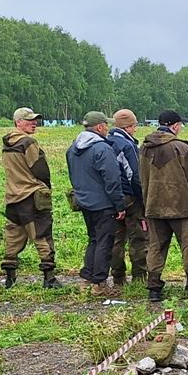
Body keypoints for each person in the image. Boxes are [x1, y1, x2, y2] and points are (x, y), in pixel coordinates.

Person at [140, 110, 188, 303]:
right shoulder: (181, 148)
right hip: (181, 207)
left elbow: (140, 177)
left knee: (156, 247)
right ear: (174, 126)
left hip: (153, 205)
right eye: (179, 125)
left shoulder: (144, 148)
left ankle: (154, 288)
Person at [0, 108, 61, 289]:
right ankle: (49, 278)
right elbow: (40, 169)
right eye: (29, 121)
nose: (34, 123)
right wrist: (46, 186)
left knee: (13, 236)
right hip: (31, 196)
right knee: (42, 235)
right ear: (18, 122)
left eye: (34, 120)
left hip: (12, 196)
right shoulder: (28, 142)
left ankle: (10, 278)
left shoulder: (7, 143)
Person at [66, 112, 125, 297]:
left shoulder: (72, 149)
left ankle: (87, 279)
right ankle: (99, 284)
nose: (107, 129)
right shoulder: (102, 149)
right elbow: (112, 180)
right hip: (104, 203)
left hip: (84, 202)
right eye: (106, 125)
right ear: (99, 127)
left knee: (93, 239)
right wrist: (119, 205)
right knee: (104, 243)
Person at [107, 109, 147, 286]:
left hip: (110, 197)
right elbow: (134, 176)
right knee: (138, 237)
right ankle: (139, 276)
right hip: (129, 198)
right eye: (135, 126)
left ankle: (118, 277)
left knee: (116, 239)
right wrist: (142, 198)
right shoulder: (127, 145)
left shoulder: (106, 142)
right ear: (129, 126)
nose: (136, 129)